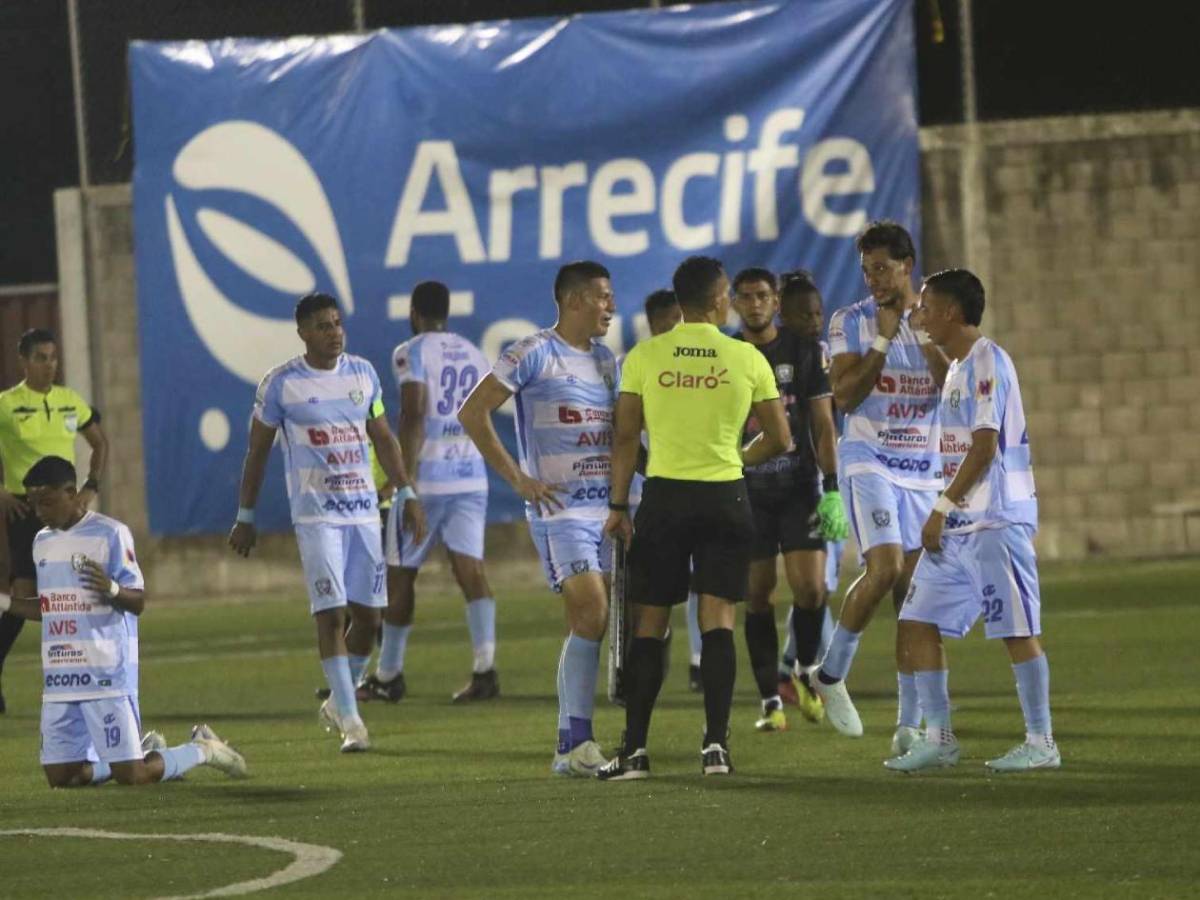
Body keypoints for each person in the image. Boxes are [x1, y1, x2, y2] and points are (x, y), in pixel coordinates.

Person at [597, 255, 791, 781]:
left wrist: (618, 506)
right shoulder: (746, 357)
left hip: (664, 498)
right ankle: (715, 749)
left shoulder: (644, 355)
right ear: (717, 299)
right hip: (725, 497)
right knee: (718, 622)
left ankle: (634, 751)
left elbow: (623, 438)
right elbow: (781, 438)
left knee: (651, 625)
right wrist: (736, 460)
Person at [229, 292, 427, 753]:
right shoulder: (281, 385)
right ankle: (352, 720)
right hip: (316, 516)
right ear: (302, 332)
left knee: (368, 615)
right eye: (323, 325)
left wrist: (408, 491)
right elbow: (257, 451)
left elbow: (384, 438)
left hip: (362, 512)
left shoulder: (362, 374)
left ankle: (341, 697)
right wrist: (245, 515)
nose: (334, 332)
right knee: (331, 612)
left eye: (338, 323)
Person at [885, 269, 1057, 772]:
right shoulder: (958, 368)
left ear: (952, 312)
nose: (919, 314)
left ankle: (1041, 742)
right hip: (961, 526)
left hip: (996, 520)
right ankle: (940, 738)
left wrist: (939, 508)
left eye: (925, 306)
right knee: (916, 620)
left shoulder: (988, 362)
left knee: (1015, 629)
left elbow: (984, 448)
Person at [458, 261, 618, 777]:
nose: (610, 307)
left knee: (594, 620)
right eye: (602, 297)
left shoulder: (608, 361)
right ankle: (577, 742)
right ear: (574, 300)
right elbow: (472, 411)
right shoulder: (533, 352)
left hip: (608, 509)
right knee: (591, 610)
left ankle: (570, 745)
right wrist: (518, 479)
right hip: (561, 510)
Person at [0, 456, 245, 787]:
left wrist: (111, 588)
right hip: (60, 679)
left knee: (134, 777)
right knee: (62, 778)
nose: (38, 512)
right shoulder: (42, 541)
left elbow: (138, 601)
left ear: (71, 492)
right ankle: (137, 752)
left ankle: (202, 750)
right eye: (32, 504)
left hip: (106, 675)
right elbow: (49, 607)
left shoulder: (110, 533)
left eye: (45, 502)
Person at [813, 221, 948, 754]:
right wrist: (887, 338)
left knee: (912, 599)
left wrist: (918, 333)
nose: (874, 279)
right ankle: (830, 675)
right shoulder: (852, 321)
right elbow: (844, 396)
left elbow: (953, 385)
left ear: (907, 265)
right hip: (869, 458)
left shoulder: (937, 318)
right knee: (886, 565)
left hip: (923, 467)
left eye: (884, 268)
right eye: (867, 270)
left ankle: (908, 724)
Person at [361, 281, 499, 704]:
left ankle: (389, 674)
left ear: (414, 313)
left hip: (431, 481)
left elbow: (414, 413)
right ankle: (485, 669)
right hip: (471, 476)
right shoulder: (473, 353)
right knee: (471, 572)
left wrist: (407, 482)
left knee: (400, 573)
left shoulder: (412, 351)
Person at [731, 268, 847, 733]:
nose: (755, 304)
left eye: (762, 296)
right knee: (758, 595)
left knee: (812, 590)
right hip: (748, 493)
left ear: (775, 302)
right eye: (746, 297)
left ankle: (800, 668)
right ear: (735, 304)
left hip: (799, 488)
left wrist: (832, 487)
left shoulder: (802, 353)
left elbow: (822, 422)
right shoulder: (728, 355)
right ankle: (767, 700)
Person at [0, 329, 109, 715]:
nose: (50, 365)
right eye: (42, 358)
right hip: (26, 513)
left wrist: (89, 487)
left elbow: (100, 442)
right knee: (27, 598)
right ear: (24, 362)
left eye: (53, 357)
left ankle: (87, 672)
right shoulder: (7, 404)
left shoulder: (69, 401)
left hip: (67, 514)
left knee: (72, 592)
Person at [777, 271, 843, 705]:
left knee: (820, 586)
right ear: (784, 315)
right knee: (815, 584)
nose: (815, 320)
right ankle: (809, 672)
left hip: (823, 477)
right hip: (790, 480)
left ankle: (794, 668)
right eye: (804, 314)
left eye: (818, 312)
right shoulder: (776, 357)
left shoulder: (823, 356)